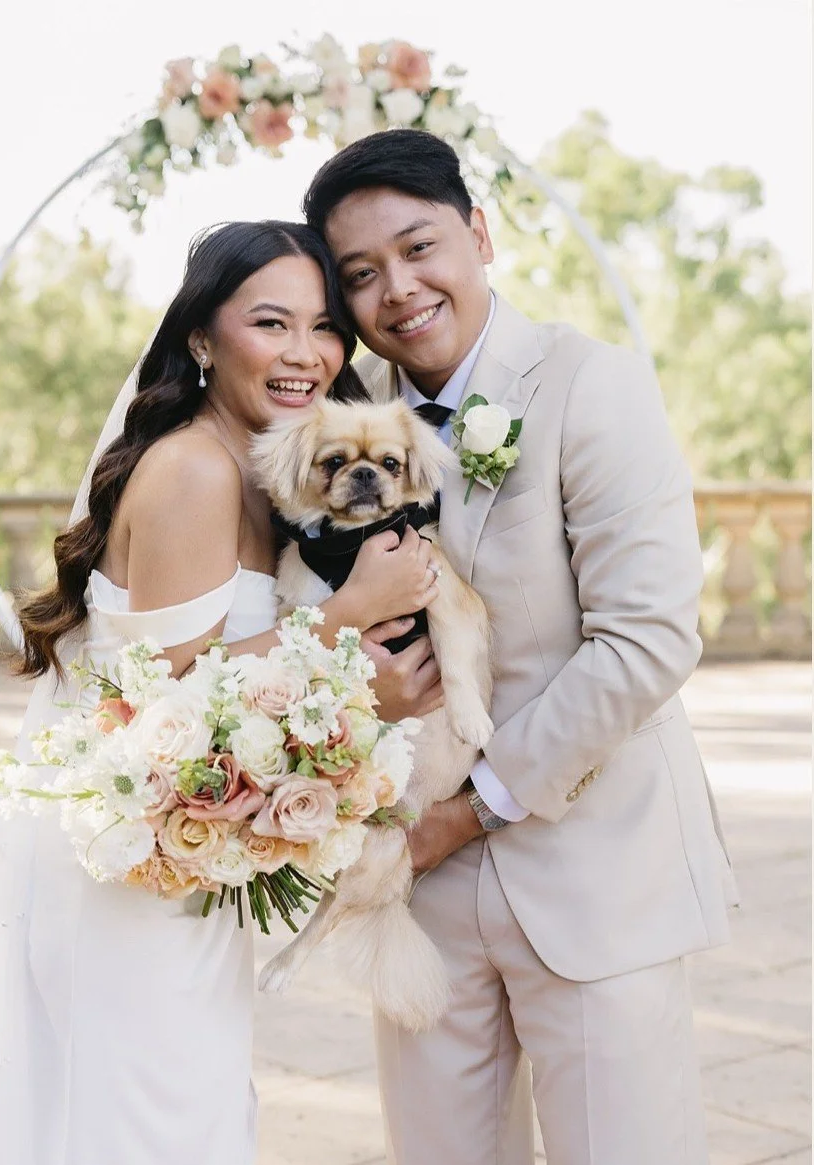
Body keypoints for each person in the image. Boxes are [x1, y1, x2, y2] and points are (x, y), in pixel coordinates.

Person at [0, 220, 441, 1165]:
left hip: (175, 854)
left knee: (182, 1105)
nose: (305, 354)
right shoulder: (196, 470)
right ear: (203, 338)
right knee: (153, 1116)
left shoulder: (254, 469)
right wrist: (350, 620)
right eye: (271, 323)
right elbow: (167, 700)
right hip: (130, 866)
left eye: (325, 326)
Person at [303, 129, 740, 1165]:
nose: (397, 290)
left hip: (597, 873)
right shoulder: (334, 431)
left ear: (479, 233)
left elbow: (644, 639)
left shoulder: (592, 383)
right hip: (414, 892)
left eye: (418, 249)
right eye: (360, 275)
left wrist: (466, 812)